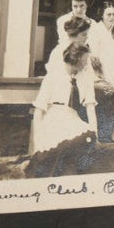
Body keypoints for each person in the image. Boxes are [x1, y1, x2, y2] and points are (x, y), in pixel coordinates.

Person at [26, 43, 97, 176]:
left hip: (72, 119)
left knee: (85, 138)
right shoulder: (53, 76)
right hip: (54, 118)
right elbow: (39, 110)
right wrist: (37, 139)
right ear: (76, 58)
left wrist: (95, 133)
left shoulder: (85, 78)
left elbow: (90, 108)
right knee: (58, 148)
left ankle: (68, 176)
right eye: (85, 60)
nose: (87, 64)